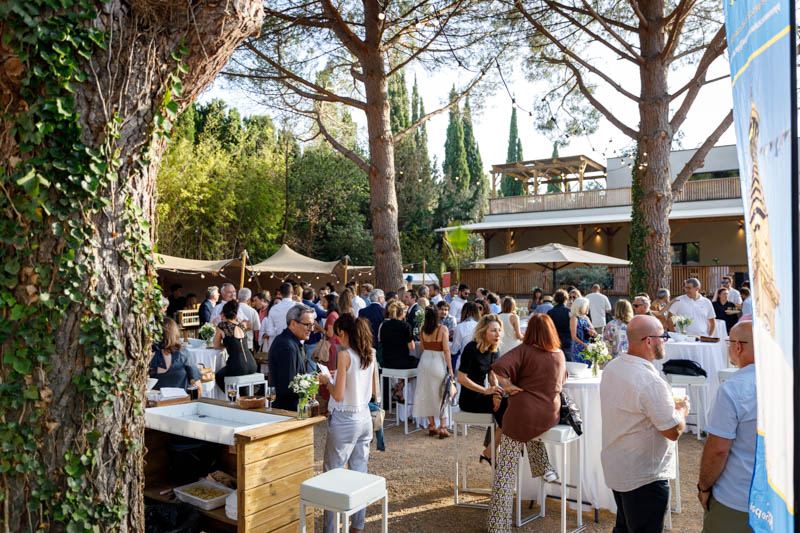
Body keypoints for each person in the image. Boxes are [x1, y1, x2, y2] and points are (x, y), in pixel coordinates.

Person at [600, 315, 690, 533]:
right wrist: (683, 411)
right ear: (649, 341)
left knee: (624, 526)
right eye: (663, 336)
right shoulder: (649, 381)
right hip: (644, 476)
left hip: (619, 466)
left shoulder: (613, 366)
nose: (665, 340)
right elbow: (672, 431)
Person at [487, 314, 565, 532]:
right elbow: (563, 379)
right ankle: (544, 466)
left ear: (530, 330)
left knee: (505, 471)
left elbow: (498, 366)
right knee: (531, 434)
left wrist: (508, 385)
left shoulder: (524, 350)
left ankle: (497, 526)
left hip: (522, 415)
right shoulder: (559, 354)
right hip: (550, 415)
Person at [317, 314, 377, 533]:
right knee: (359, 473)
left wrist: (326, 381)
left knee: (332, 475)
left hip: (345, 418)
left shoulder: (344, 355)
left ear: (342, 333)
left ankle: (331, 529)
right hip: (364, 418)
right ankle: (357, 525)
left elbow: (339, 395)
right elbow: (371, 391)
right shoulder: (371, 353)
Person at [697, 321, 756, 532]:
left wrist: (703, 486)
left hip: (737, 498)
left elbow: (718, 450)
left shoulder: (733, 389)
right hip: (777, 495)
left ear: (737, 346)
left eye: (729, 342)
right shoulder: (786, 380)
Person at [457, 314, 508, 463]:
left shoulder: (493, 350)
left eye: (499, 330)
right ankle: (491, 452)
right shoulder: (471, 348)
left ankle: (489, 451)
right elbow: (461, 378)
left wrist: (496, 393)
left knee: (508, 407)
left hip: (484, 396)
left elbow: (492, 375)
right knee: (507, 412)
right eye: (493, 330)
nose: (498, 334)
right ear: (483, 331)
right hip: (469, 400)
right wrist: (487, 391)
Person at [412, 307, 454, 438]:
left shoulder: (423, 329)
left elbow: (423, 347)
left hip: (424, 362)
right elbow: (446, 350)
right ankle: (442, 427)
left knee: (427, 394)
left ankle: (431, 425)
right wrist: (451, 369)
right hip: (437, 362)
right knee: (442, 395)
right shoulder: (443, 329)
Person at [268, 304, 314, 411]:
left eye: (312, 325)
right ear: (293, 323)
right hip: (288, 411)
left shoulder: (289, 341)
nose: (311, 329)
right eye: (307, 325)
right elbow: (289, 386)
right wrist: (313, 381)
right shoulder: (287, 346)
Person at [213, 301, 258, 393]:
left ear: (223, 314)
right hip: (252, 364)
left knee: (219, 376)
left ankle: (233, 398)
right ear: (235, 315)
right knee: (238, 378)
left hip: (238, 365)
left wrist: (226, 346)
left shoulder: (222, 326)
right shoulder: (241, 325)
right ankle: (242, 397)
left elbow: (216, 346)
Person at [149, 318, 203, 393]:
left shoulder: (148, 356)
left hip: (155, 402)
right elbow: (198, 389)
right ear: (175, 333)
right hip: (180, 402)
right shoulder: (184, 354)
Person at [262, 283, 296, 350]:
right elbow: (314, 314)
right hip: (293, 343)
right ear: (292, 292)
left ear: (280, 294)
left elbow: (270, 332)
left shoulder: (273, 309)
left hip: (277, 343)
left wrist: (278, 329)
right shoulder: (298, 306)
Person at [302, 287, 328, 372]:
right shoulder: (313, 306)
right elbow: (325, 314)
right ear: (313, 296)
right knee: (311, 362)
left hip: (302, 338)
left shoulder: (299, 304)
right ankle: (311, 383)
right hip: (313, 338)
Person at [452, 302, 481, 370]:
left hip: (464, 364)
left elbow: (454, 349)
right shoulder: (481, 326)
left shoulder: (460, 327)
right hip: (480, 363)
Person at [569, 297, 597, 364]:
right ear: (579, 308)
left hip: (588, 347)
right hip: (578, 348)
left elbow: (595, 333)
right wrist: (584, 344)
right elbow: (573, 337)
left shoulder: (586, 318)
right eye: (586, 306)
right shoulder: (574, 318)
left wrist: (592, 333)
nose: (588, 308)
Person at [547, 289, 573, 358]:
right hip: (567, 339)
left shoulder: (550, 312)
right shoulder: (569, 311)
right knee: (568, 362)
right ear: (566, 299)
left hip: (554, 339)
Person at [237, 288, 260, 352]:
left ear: (238, 297)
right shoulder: (253, 311)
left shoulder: (232, 309)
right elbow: (257, 329)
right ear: (249, 299)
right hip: (248, 344)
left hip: (234, 343)